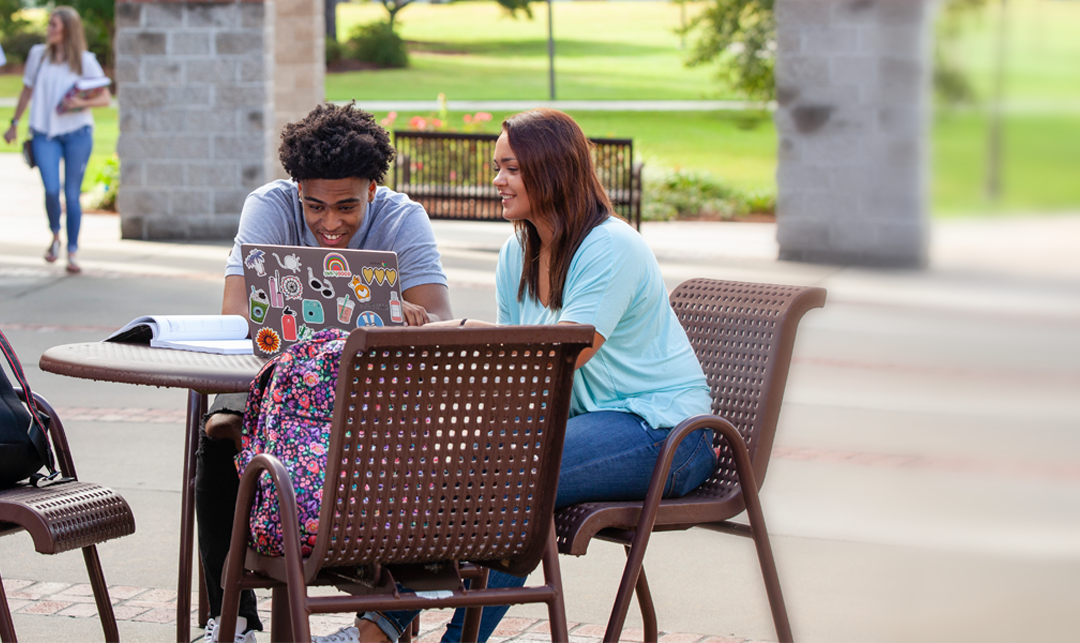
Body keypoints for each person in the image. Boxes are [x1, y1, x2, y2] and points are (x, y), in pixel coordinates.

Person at [314, 109, 718, 643]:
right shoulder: (517, 251)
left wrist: (458, 331)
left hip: (666, 434)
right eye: (496, 167)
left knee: (510, 481)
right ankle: (384, 627)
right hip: (588, 428)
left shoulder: (610, 246)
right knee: (475, 475)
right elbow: (518, 378)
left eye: (510, 168)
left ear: (551, 170)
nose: (497, 180)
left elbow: (561, 357)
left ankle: (394, 631)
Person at [197, 102, 452, 643]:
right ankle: (233, 619)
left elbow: (440, 327)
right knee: (222, 437)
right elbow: (236, 315)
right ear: (296, 191)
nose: (330, 223)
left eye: (347, 207)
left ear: (373, 193)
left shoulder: (403, 219)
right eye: (314, 206)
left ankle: (381, 609)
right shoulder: (268, 206)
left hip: (366, 394)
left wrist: (407, 319)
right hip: (270, 377)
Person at [3, 6, 111, 274]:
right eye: (49, 24)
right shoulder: (38, 55)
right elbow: (27, 91)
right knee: (51, 189)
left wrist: (80, 102)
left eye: (54, 25)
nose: (48, 29)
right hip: (44, 133)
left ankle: (72, 251)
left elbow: (105, 98)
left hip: (77, 134)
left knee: (72, 194)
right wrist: (14, 123)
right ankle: (55, 236)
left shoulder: (85, 61)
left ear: (67, 31)